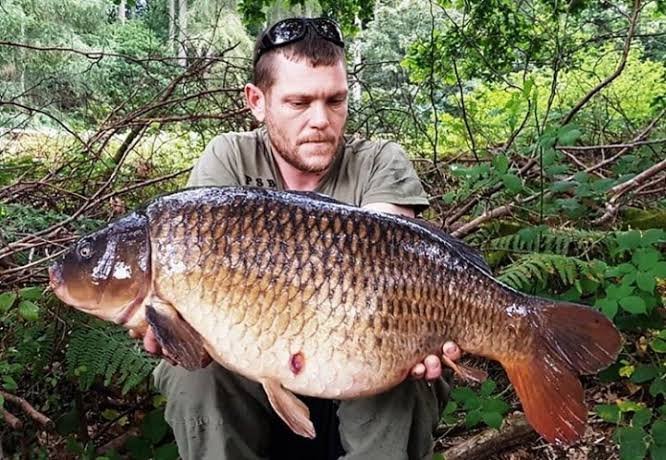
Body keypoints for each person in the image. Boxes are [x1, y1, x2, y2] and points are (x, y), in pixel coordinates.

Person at [145, 17, 462, 460]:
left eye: (335, 101)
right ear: (257, 101)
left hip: (359, 345)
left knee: (401, 377)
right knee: (194, 376)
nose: (321, 120)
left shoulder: (380, 161)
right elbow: (195, 275)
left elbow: (384, 262)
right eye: (299, 102)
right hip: (257, 356)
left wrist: (414, 334)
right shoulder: (229, 160)